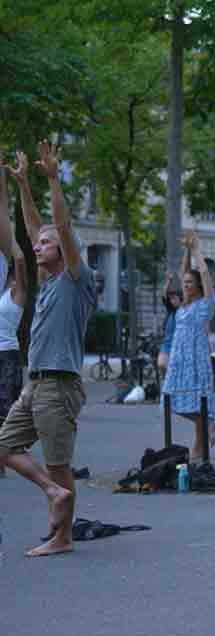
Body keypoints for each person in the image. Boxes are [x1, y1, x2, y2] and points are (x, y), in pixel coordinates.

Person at [0, 141, 96, 557]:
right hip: (34, 384)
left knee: (59, 462)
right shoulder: (49, 280)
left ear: (64, 250)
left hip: (59, 384)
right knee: (4, 447)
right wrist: (23, 184)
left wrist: (54, 179)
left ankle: (63, 537)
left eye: (44, 244)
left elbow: (58, 223)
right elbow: (37, 223)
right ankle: (53, 494)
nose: (36, 245)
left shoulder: (76, 278)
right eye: (36, 244)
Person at [162, 231, 215, 462]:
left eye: (189, 283)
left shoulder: (205, 305)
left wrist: (196, 250)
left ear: (197, 286)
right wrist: (185, 250)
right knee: (178, 403)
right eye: (184, 283)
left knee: (199, 406)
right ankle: (206, 433)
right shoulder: (182, 306)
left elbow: (203, 273)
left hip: (196, 359)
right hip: (179, 360)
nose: (185, 285)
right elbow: (183, 272)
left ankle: (201, 450)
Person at [0, 158, 27, 479]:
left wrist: (5, 180)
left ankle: (7, 458)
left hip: (6, 353)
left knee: (5, 410)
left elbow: (3, 211)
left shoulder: (15, 294)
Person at [157, 273, 181, 381]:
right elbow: (163, 295)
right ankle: (168, 381)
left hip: (178, 344)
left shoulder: (184, 311)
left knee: (175, 369)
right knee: (161, 364)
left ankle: (171, 384)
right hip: (167, 343)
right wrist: (168, 281)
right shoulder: (171, 310)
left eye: (174, 298)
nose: (172, 301)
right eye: (171, 299)